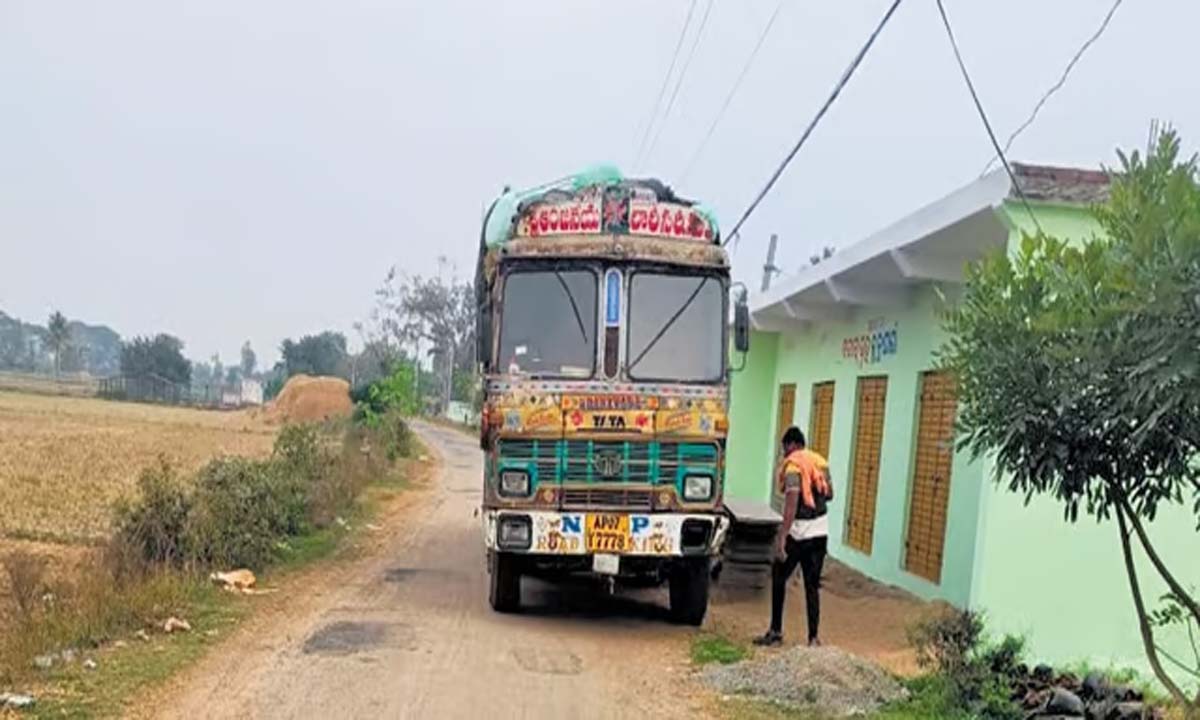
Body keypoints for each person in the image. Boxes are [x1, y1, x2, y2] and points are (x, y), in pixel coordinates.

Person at [754, 426, 833, 648]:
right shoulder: (820, 462)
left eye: (784, 448)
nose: (785, 453)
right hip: (820, 532)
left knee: (779, 575)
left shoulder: (793, 467)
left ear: (792, 444)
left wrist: (781, 538)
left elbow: (791, 506)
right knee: (812, 584)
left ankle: (776, 631)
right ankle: (813, 638)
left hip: (798, 533)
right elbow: (830, 494)